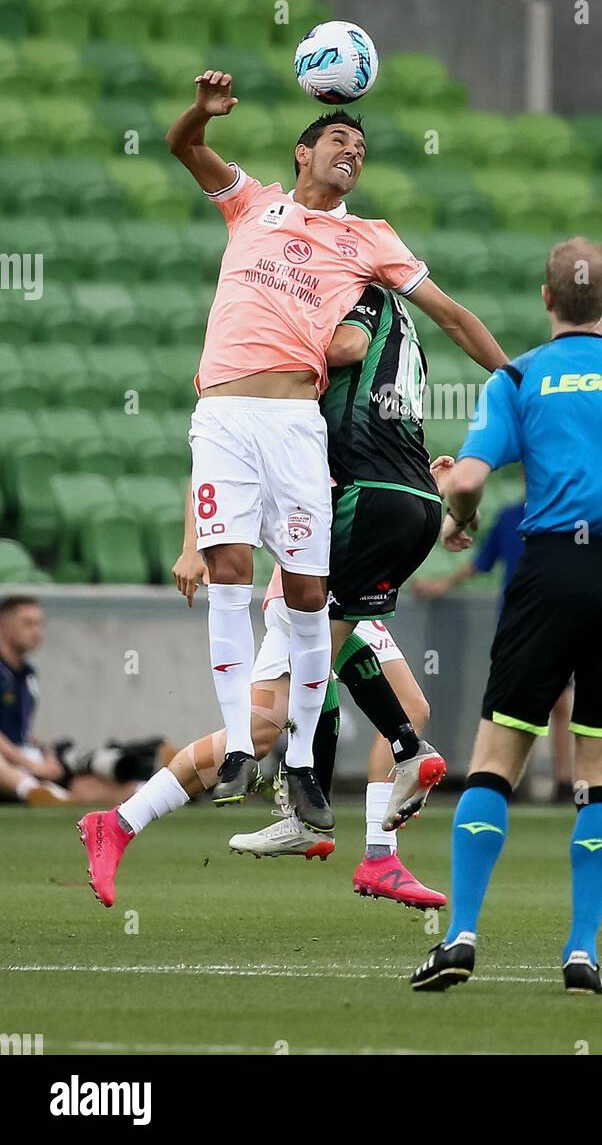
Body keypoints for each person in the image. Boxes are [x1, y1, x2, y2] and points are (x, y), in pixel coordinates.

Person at [164, 74, 506, 818]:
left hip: (294, 423)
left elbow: (448, 315)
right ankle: (237, 748)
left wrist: (514, 379)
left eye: (362, 147)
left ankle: (302, 766)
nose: (352, 152)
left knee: (309, 595)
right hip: (221, 413)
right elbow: (183, 145)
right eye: (339, 141)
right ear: (303, 152)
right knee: (229, 573)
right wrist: (203, 111)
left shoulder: (369, 237)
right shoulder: (250, 202)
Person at [410, 237, 602, 994]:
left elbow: (472, 478)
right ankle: (582, 950)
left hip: (548, 568)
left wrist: (461, 513)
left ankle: (459, 936)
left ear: (546, 299)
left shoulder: (518, 376)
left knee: (496, 757)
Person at [78, 289, 455, 910]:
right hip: (311, 558)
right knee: (261, 725)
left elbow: (363, 431)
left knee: (405, 708)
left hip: (344, 536)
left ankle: (368, 850)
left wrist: (418, 480)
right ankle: (122, 822)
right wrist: (193, 540)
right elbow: (222, 451)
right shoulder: (297, 355)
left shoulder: (359, 351)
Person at [414, 488, 576, 801]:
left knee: (559, 703)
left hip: (556, 618)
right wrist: (442, 584)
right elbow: (482, 562)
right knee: (513, 702)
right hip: (517, 621)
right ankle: (505, 777)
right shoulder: (510, 517)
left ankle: (563, 781)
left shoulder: (564, 515)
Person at [0, 596, 169, 807]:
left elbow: (19, 731)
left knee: (84, 781)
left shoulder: (27, 673)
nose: (37, 632)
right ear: (4, 626)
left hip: (24, 757)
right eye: (28, 624)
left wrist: (45, 755)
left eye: (39, 623)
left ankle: (151, 788)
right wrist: (33, 766)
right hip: (10, 763)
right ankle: (30, 789)